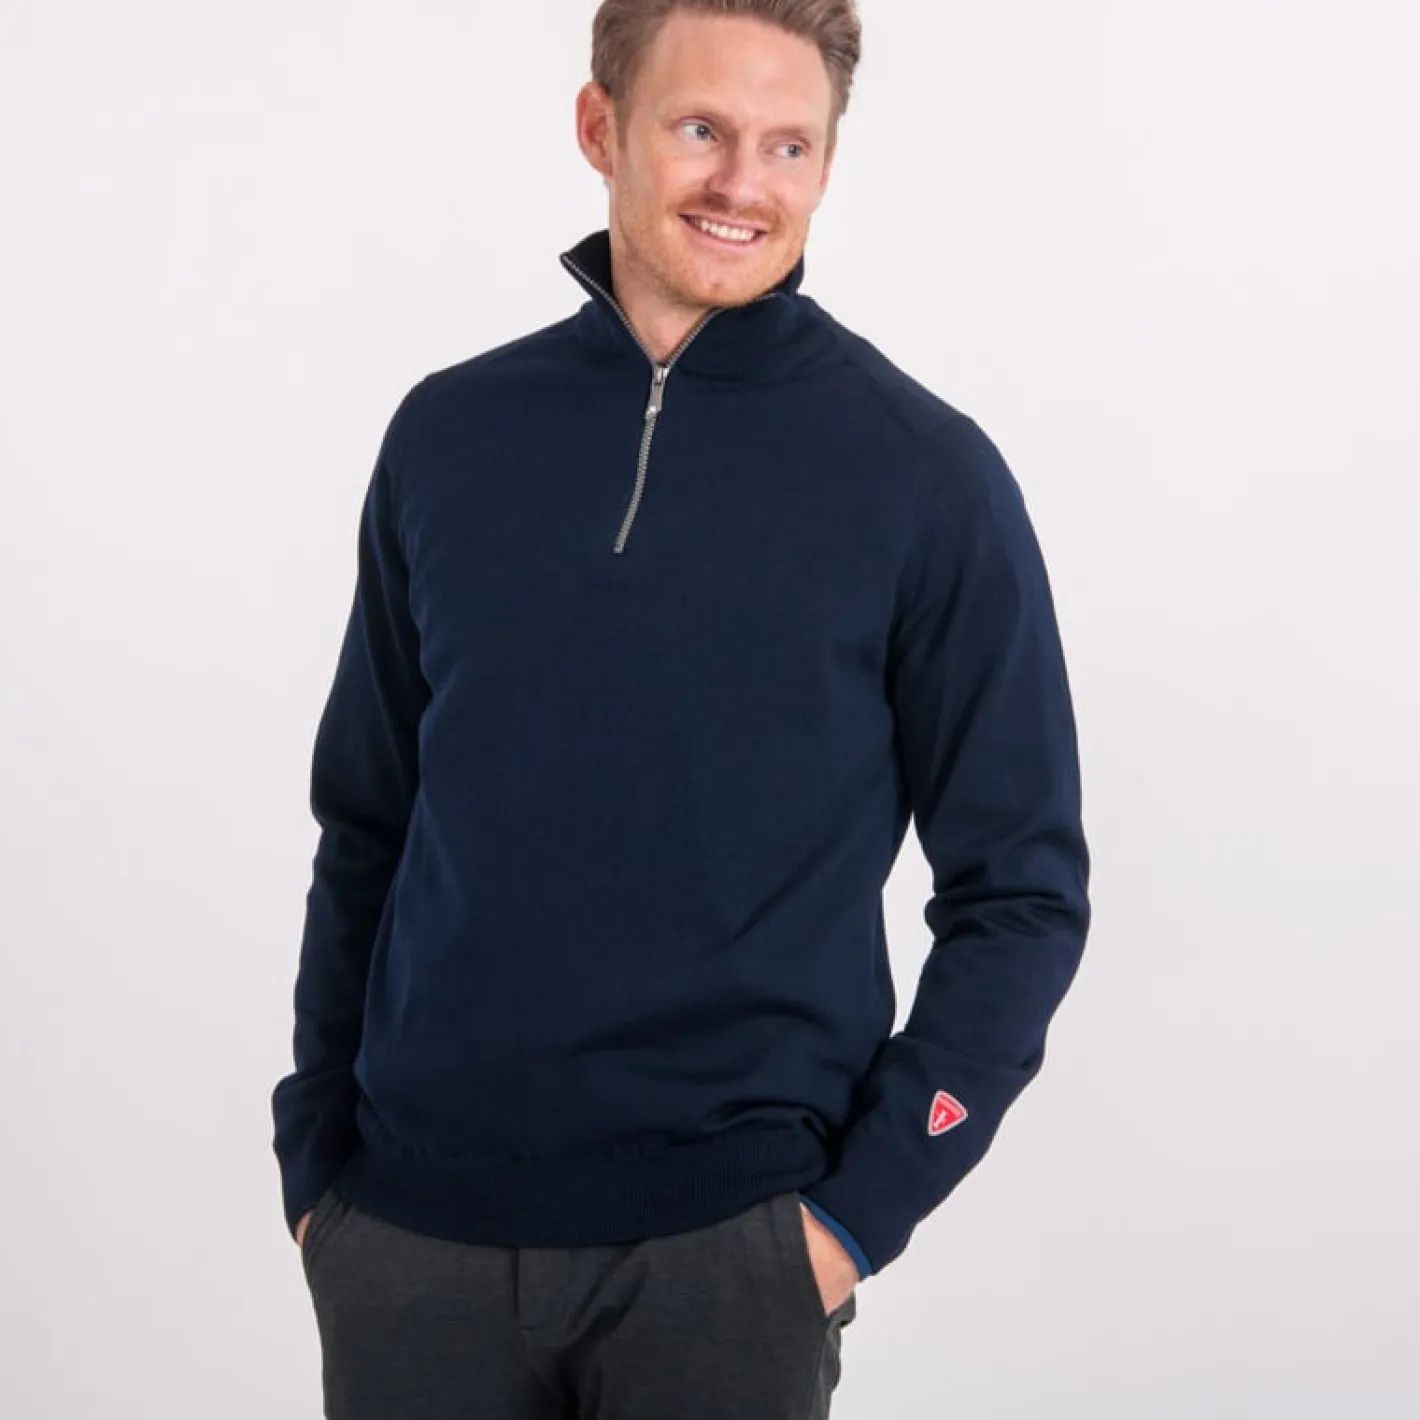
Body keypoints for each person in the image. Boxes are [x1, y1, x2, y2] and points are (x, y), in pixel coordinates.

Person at [271, 2, 1092, 1416]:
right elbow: (367, 823)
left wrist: (848, 1224)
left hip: (727, 1256)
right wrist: (317, 1168)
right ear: (601, 128)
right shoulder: (448, 436)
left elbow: (1022, 889)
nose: (742, 184)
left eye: (789, 145)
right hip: (410, 1240)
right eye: (702, 129)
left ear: (826, 165)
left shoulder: (923, 477)